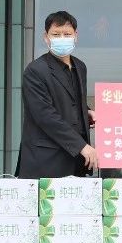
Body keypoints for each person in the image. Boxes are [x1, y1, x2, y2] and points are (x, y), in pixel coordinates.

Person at [16, 10, 97, 178]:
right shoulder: (35, 70)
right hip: (46, 161)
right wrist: (81, 146)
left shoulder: (80, 66)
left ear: (76, 36)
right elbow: (45, 115)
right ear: (46, 37)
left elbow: (72, 99)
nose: (62, 38)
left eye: (67, 34)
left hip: (76, 160)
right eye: (56, 34)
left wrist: (87, 111)